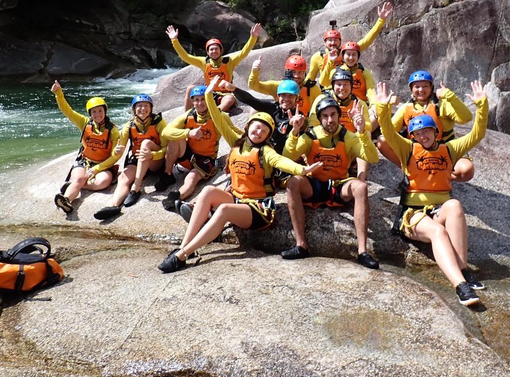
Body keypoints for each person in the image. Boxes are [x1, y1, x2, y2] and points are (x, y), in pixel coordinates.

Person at [157, 76, 322, 273]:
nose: (258, 131)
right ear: (248, 127)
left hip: (258, 209)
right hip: (237, 198)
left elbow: (283, 161)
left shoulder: (267, 152)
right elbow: (219, 119)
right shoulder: (237, 141)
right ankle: (186, 246)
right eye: (256, 126)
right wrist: (209, 94)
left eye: (264, 130)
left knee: (224, 210)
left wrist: (302, 170)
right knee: (209, 190)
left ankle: (182, 256)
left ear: (269, 135)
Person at [374, 80, 489, 306]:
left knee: (454, 205)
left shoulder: (450, 149)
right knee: (438, 232)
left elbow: (477, 133)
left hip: (439, 208)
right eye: (417, 133)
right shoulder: (408, 148)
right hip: (412, 214)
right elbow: (387, 131)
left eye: (426, 131)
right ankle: (461, 286)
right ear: (413, 136)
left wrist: (482, 106)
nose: (422, 136)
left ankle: (463, 269)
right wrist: (383, 108)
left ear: (436, 132)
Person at [281, 95, 380, 269]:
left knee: (361, 187)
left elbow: (371, 157)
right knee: (293, 182)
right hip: (315, 186)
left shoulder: (348, 136)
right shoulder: (311, 136)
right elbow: (288, 157)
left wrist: (363, 133)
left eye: (333, 115)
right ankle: (301, 245)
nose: (330, 120)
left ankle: (362, 251)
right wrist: (295, 133)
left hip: (339, 185)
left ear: (338, 116)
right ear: (319, 118)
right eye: (325, 116)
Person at [377, 70, 474, 182]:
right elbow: (388, 131)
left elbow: (466, 118)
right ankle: (412, 171)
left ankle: (440, 175)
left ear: (431, 88)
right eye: (417, 87)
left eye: (425, 86)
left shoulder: (442, 105)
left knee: (466, 170)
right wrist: (385, 107)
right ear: (411, 89)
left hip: (444, 149)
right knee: (382, 141)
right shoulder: (406, 108)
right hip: (416, 151)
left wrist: (450, 96)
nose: (421, 90)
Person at [159, 85, 235, 215]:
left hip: (206, 159)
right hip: (189, 155)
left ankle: (177, 197)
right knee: (174, 139)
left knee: (192, 177)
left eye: (203, 99)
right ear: (192, 102)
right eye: (196, 100)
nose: (200, 103)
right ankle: (168, 174)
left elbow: (234, 137)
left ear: (209, 99)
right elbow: (166, 132)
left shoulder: (219, 116)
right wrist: (189, 133)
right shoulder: (188, 115)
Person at [51, 80, 121, 214]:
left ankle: (74, 185)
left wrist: (96, 169)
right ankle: (66, 200)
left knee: (102, 183)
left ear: (105, 111)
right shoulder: (84, 123)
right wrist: (58, 93)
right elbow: (68, 112)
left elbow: (114, 157)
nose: (97, 114)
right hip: (84, 161)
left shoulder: (113, 130)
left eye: (100, 111)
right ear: (90, 113)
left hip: (103, 164)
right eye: (94, 112)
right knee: (79, 178)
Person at [93, 94, 167, 220]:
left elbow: (166, 148)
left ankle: (136, 189)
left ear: (151, 108)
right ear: (134, 110)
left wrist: (153, 155)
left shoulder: (159, 122)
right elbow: (120, 146)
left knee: (145, 143)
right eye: (139, 106)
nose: (142, 109)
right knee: (123, 177)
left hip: (155, 160)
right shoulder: (129, 125)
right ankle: (113, 205)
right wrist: (117, 151)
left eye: (146, 106)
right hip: (138, 159)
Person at [165, 23, 262, 112]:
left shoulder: (229, 61)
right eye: (211, 49)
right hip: (208, 92)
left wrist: (253, 38)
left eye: (216, 49)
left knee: (230, 99)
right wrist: (174, 40)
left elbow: (243, 52)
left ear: (221, 50)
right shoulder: (203, 62)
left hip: (224, 94)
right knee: (190, 88)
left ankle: (216, 114)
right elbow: (185, 57)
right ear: (207, 52)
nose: (214, 51)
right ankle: (187, 116)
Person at [308, 69, 372, 181]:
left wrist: (359, 123)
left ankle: (361, 180)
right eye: (338, 84)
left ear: (352, 86)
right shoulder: (321, 99)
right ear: (332, 85)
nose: (342, 88)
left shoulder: (359, 103)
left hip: (348, 144)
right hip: (325, 142)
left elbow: (368, 127)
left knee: (365, 133)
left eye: (346, 84)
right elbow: (312, 125)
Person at [306, 1, 394, 81]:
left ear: (340, 41)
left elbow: (367, 40)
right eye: (330, 40)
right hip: (327, 92)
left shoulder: (347, 52)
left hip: (346, 90)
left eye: (336, 40)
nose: (333, 43)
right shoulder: (317, 57)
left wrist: (381, 20)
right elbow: (310, 78)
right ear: (324, 42)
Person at [248, 54, 321, 117]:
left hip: (303, 124)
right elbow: (253, 85)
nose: (296, 76)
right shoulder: (279, 86)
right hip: (281, 121)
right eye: (293, 72)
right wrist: (255, 71)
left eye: (300, 72)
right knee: (255, 109)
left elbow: (321, 108)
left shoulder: (312, 88)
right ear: (287, 72)